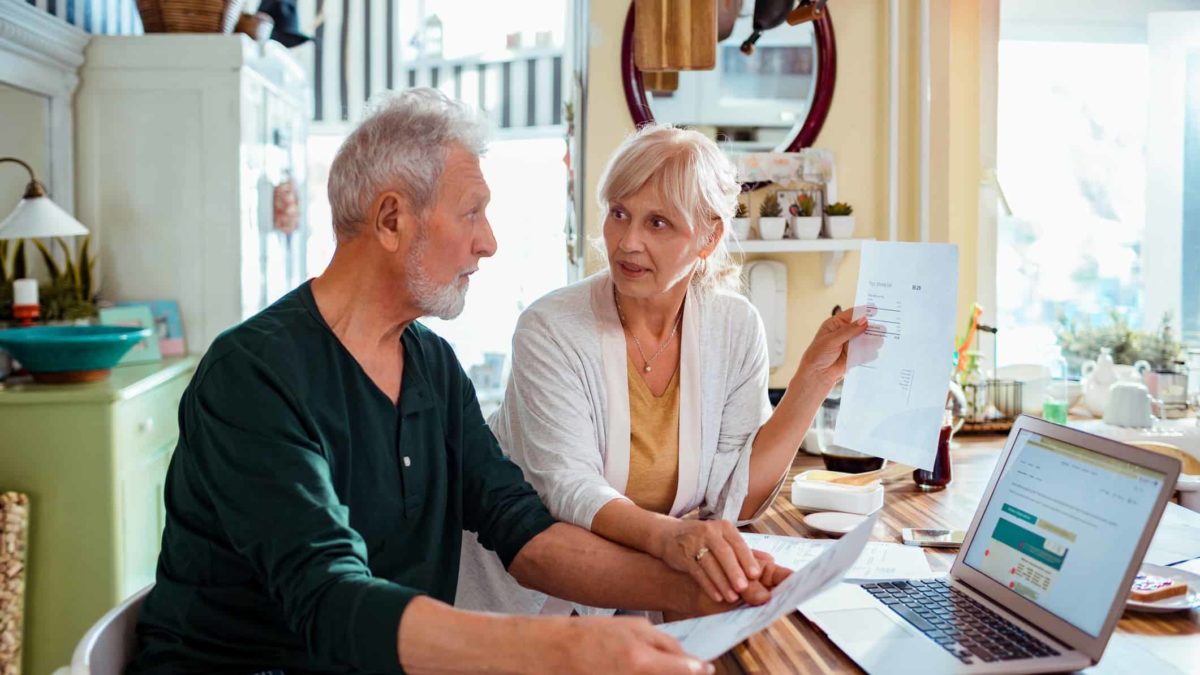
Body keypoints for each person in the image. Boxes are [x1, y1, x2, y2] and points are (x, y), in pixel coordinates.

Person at [127, 90, 791, 675]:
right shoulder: (253, 375)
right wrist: (558, 649)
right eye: (472, 213)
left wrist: (702, 587)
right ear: (392, 220)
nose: (489, 242)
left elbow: (524, 531)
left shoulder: (432, 367)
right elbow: (328, 599)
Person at [458, 124, 880, 615]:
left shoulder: (734, 327)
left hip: (640, 599)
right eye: (619, 213)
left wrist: (814, 378)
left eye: (658, 223)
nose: (627, 242)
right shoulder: (550, 328)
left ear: (709, 236)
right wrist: (673, 538)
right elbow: (569, 488)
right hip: (527, 608)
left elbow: (735, 498)